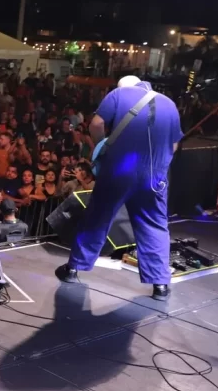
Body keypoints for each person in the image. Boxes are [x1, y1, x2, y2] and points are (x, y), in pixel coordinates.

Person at [56, 76, 183, 300]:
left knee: (98, 217)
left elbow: (96, 125)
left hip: (119, 170)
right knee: (154, 225)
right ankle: (160, 284)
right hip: (155, 176)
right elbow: (173, 145)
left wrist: (102, 145)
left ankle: (74, 268)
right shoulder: (170, 104)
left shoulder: (118, 94)